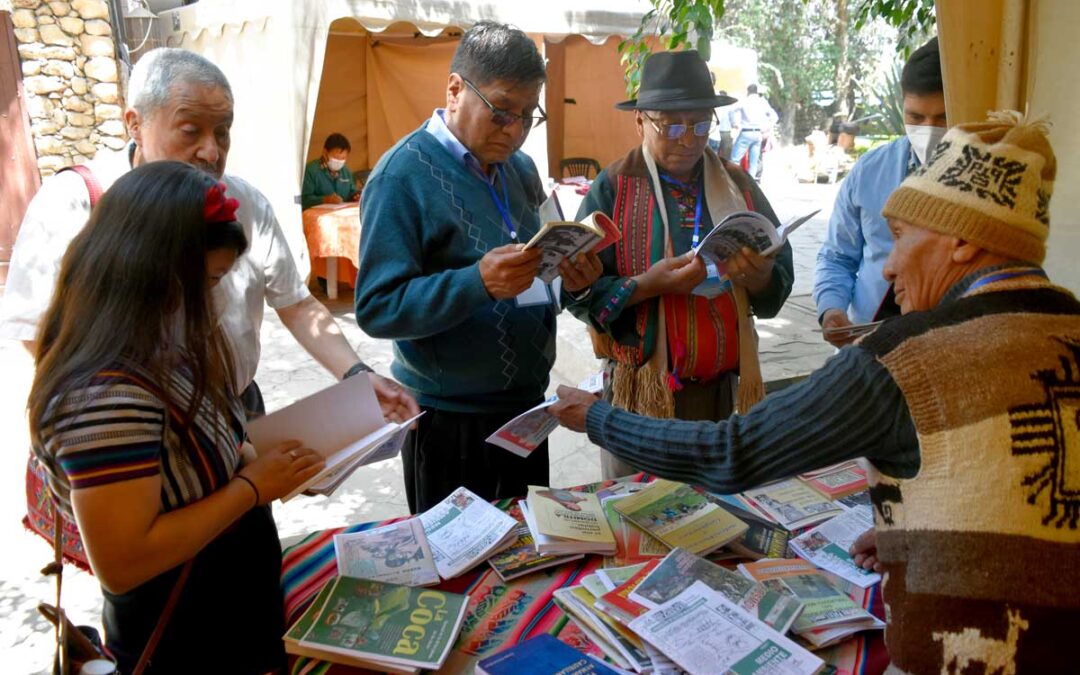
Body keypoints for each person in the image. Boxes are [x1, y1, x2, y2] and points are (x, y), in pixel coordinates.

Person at [551, 111, 1078, 672]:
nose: (891, 267)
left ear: (963, 243)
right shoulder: (1068, 325)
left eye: (899, 237)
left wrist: (600, 418)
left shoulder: (904, 359)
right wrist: (920, 525)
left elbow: (732, 453)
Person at [0, 47, 417, 422]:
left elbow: (296, 304)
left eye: (222, 131)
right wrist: (124, 415)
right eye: (190, 130)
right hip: (134, 432)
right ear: (134, 124)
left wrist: (357, 375)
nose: (211, 151)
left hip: (234, 410)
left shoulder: (244, 202)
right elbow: (37, 333)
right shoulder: (76, 201)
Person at [29, 161, 327, 673]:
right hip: (186, 641)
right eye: (209, 281)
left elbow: (202, 453)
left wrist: (276, 462)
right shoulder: (104, 399)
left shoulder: (161, 348)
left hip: (227, 617)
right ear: (150, 273)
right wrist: (254, 487)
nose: (215, 299)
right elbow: (125, 562)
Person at [354, 22, 602, 513]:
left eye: (529, 116)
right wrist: (476, 283)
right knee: (459, 575)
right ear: (454, 89)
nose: (514, 131)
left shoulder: (521, 169)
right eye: (502, 112)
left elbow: (542, 270)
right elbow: (377, 307)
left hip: (527, 413)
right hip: (448, 422)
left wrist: (574, 281)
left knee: (528, 558)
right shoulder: (401, 176)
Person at [564, 50, 794, 479]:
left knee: (720, 520)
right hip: (643, 399)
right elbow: (578, 294)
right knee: (643, 520)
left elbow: (779, 269)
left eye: (700, 124)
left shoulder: (737, 183)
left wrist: (761, 277)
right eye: (670, 125)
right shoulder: (613, 187)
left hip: (723, 396)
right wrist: (647, 285)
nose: (688, 139)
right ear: (640, 122)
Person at [814, 38, 946, 344]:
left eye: (941, 118)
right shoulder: (869, 171)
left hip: (945, 347)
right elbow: (837, 256)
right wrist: (831, 308)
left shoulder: (982, 180)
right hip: (868, 343)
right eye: (915, 117)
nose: (928, 129)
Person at [729, 83, 778, 179]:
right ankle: (751, 183)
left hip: (746, 132)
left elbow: (731, 110)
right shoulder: (763, 102)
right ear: (756, 91)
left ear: (748, 91)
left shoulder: (745, 101)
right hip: (758, 133)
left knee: (735, 159)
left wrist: (734, 123)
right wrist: (766, 128)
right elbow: (774, 117)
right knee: (753, 162)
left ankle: (734, 180)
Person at [301, 132, 359, 209]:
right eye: (336, 157)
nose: (339, 161)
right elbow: (302, 199)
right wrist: (324, 199)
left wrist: (356, 196)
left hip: (341, 216)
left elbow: (352, 192)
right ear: (325, 153)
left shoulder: (346, 172)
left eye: (343, 158)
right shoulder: (311, 170)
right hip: (317, 218)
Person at [707, 89, 736, 160]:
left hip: (714, 132)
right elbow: (733, 121)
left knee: (713, 154)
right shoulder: (730, 107)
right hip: (726, 131)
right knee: (726, 154)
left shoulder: (715, 105)